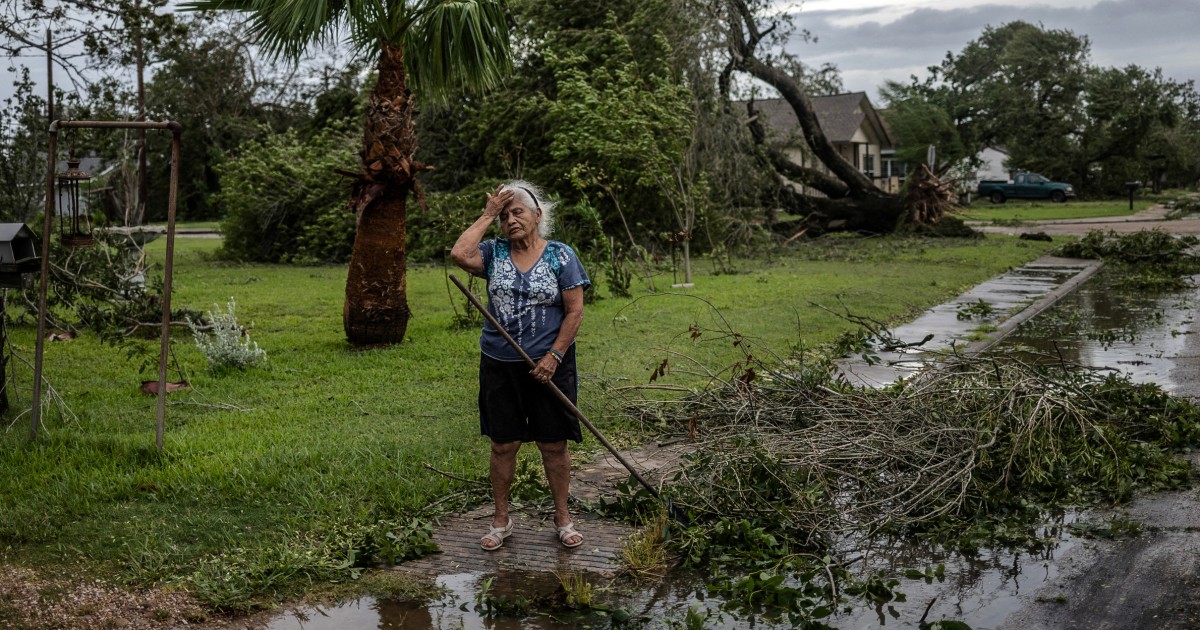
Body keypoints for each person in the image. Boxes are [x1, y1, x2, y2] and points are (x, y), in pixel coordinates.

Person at [450, 180, 591, 551]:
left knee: (553, 444)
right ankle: (501, 520)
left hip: (551, 363)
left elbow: (575, 311)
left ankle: (562, 518)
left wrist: (554, 356)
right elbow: (459, 254)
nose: (511, 220)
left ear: (537, 215)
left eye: (518, 212)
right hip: (500, 363)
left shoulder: (561, 256)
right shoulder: (493, 253)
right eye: (505, 214)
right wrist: (487, 213)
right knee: (503, 444)